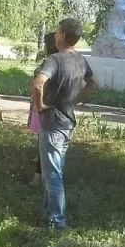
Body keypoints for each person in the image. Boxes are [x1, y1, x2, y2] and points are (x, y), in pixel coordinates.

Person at [32, 19, 98, 230]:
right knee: (53, 168)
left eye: (57, 32)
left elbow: (39, 82)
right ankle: (46, 211)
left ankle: (57, 221)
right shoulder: (80, 60)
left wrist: (40, 104)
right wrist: (76, 100)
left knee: (53, 173)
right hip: (67, 121)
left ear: (61, 35)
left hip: (52, 122)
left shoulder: (54, 60)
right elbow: (94, 83)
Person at [29, 32, 58, 186]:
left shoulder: (52, 63)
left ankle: (38, 176)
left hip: (45, 105)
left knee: (45, 141)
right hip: (42, 104)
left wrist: (38, 102)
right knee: (43, 140)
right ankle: (41, 169)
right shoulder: (53, 62)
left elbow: (40, 83)